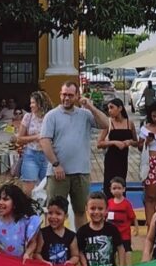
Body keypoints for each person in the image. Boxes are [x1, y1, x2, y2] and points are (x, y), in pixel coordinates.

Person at [40, 82, 110, 228]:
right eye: (64, 94)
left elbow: (105, 124)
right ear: (60, 94)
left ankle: (79, 244)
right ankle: (52, 244)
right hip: (58, 172)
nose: (66, 98)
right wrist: (55, 164)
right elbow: (45, 141)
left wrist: (90, 106)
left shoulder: (85, 114)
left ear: (77, 96)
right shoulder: (51, 116)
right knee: (54, 211)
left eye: (70, 95)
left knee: (80, 211)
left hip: (81, 172)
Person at [14, 92, 52, 195]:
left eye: (33, 103)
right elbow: (19, 139)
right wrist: (36, 137)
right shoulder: (28, 117)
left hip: (48, 156)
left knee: (48, 189)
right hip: (31, 155)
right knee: (28, 191)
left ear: (40, 103)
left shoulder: (50, 117)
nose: (30, 105)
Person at [77, 192, 125, 266]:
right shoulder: (82, 231)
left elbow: (120, 247)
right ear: (86, 208)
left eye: (100, 209)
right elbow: (80, 252)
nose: (96, 212)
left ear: (106, 209)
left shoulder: (112, 229)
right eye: (92, 208)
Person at [97, 98, 136, 191]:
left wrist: (129, 142)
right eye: (108, 108)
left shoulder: (129, 123)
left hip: (123, 159)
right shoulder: (108, 123)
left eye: (111, 108)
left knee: (121, 184)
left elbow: (136, 142)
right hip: (111, 159)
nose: (109, 111)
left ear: (120, 108)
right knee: (109, 184)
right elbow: (99, 143)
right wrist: (114, 142)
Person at [0, 183, 39, 259]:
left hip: (20, 265)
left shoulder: (26, 221)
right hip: (1, 263)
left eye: (5, 199)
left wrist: (27, 253)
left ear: (15, 203)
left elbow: (33, 242)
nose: (0, 202)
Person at [27, 197, 79, 266]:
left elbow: (75, 255)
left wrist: (70, 262)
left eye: (58, 213)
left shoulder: (71, 236)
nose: (53, 216)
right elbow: (36, 253)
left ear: (66, 216)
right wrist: (43, 262)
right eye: (50, 213)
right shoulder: (42, 233)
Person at [105, 177, 136, 254]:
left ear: (124, 189)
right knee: (113, 252)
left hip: (124, 234)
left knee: (126, 251)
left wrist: (136, 228)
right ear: (110, 189)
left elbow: (133, 217)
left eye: (119, 188)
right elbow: (105, 217)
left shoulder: (127, 203)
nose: (117, 190)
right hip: (112, 233)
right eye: (114, 188)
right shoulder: (109, 202)